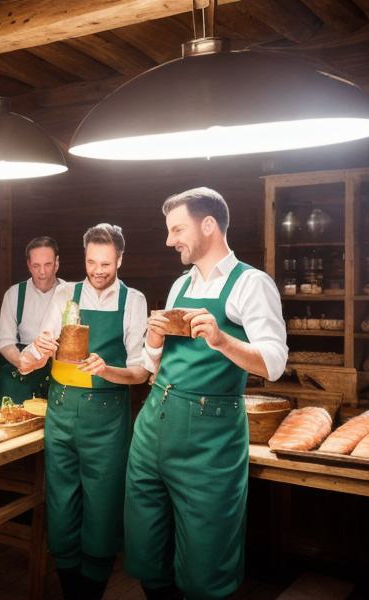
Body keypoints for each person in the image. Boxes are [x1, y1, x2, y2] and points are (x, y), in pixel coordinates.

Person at [124, 188, 287, 600]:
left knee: (205, 563)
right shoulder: (180, 285)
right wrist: (155, 339)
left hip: (209, 441)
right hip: (153, 427)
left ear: (208, 225)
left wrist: (222, 340)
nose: (169, 240)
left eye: (177, 229)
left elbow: (273, 363)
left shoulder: (251, 284)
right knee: (147, 549)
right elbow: (155, 365)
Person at [20, 223, 148, 599]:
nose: (97, 271)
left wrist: (107, 369)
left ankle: (89, 592)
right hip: (60, 411)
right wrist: (38, 350)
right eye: (92, 262)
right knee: (60, 498)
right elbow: (30, 362)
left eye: (106, 264)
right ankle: (70, 587)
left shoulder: (133, 301)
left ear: (120, 259)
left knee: (103, 502)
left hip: (108, 415)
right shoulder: (65, 295)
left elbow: (141, 372)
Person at [0, 236, 65, 403]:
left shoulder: (70, 293)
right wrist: (23, 362)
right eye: (36, 266)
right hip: (21, 369)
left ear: (57, 263)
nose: (42, 272)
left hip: (59, 369)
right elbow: (5, 342)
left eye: (48, 264)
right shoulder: (14, 294)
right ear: (28, 265)